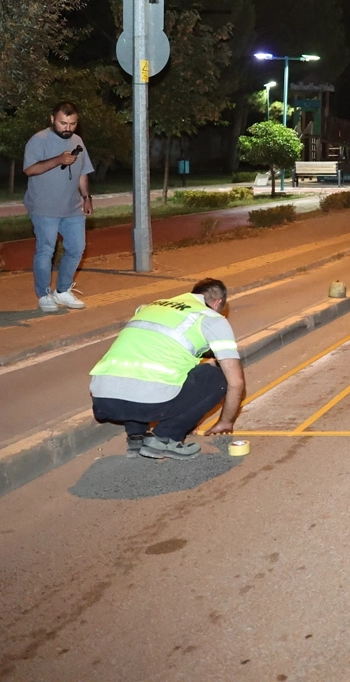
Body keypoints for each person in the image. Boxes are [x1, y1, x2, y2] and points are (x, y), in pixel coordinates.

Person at [89, 278, 246, 460]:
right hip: (145, 401)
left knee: (144, 373)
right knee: (217, 377)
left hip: (103, 399)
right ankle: (165, 438)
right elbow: (236, 382)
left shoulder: (149, 307)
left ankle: (136, 437)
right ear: (218, 302)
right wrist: (225, 421)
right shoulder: (211, 318)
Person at [23, 101, 94, 313]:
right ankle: (44, 295)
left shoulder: (78, 140)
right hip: (44, 207)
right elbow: (29, 170)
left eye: (72, 123)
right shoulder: (39, 140)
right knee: (46, 250)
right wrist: (58, 160)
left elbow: (82, 171)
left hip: (72, 207)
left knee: (76, 248)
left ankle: (62, 291)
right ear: (52, 119)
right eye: (63, 123)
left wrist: (87, 197)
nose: (67, 128)